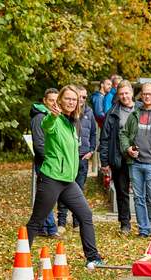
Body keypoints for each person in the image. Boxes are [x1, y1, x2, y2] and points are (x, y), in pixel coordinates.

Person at [26, 85, 103, 267]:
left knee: (85, 215)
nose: (71, 102)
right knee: (37, 221)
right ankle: (22, 254)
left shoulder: (73, 122)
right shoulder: (53, 119)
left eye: (74, 99)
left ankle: (93, 257)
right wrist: (52, 116)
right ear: (60, 100)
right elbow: (47, 126)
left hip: (68, 181)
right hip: (51, 177)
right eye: (67, 98)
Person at [119, 83, 151, 237]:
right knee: (138, 198)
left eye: (150, 94)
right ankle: (144, 229)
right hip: (135, 163)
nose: (147, 96)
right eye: (144, 94)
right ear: (141, 95)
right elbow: (124, 134)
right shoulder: (135, 113)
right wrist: (127, 148)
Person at [57, 85, 96, 233]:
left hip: (83, 157)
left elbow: (93, 133)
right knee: (63, 189)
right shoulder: (67, 115)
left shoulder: (89, 113)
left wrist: (91, 150)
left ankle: (76, 222)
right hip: (66, 159)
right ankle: (61, 221)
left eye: (84, 97)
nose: (80, 100)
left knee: (78, 190)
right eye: (78, 97)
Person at [99, 81, 136, 234]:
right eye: (121, 94)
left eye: (127, 93)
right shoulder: (113, 112)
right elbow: (105, 138)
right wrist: (105, 161)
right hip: (119, 158)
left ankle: (146, 223)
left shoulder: (142, 109)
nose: (124, 96)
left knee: (143, 192)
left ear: (132, 93)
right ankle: (125, 223)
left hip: (140, 158)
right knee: (122, 192)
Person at [29, 88, 61, 239]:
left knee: (46, 195)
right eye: (51, 100)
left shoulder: (55, 117)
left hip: (53, 163)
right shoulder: (39, 118)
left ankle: (43, 227)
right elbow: (39, 144)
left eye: (56, 100)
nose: (54, 103)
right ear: (44, 101)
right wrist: (51, 159)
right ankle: (50, 228)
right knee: (47, 195)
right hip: (45, 162)